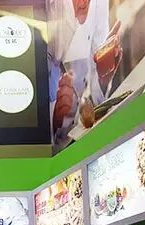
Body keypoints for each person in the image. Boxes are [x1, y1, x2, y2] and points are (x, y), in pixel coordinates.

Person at [48, 0, 122, 143]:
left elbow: (95, 100)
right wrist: (53, 119)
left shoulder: (98, 4)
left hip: (79, 133)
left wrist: (103, 78)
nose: (83, 3)